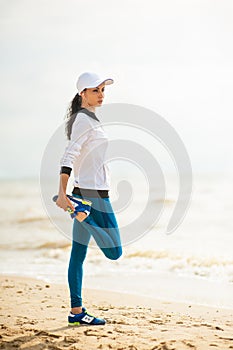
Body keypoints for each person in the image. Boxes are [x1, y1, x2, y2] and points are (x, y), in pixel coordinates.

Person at [55, 72, 122, 326]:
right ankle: (80, 214)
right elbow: (69, 156)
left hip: (86, 194)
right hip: (94, 197)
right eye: (95, 90)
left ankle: (76, 312)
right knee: (114, 252)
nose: (101, 95)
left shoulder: (89, 119)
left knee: (78, 255)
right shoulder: (84, 121)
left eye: (103, 90)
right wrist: (62, 193)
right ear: (82, 93)